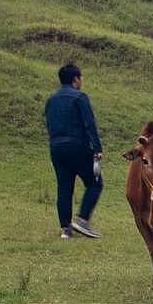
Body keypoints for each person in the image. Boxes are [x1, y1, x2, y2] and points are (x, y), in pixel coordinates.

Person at [44, 63, 103, 239]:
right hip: (78, 146)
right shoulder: (80, 97)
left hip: (56, 147)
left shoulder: (51, 99)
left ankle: (65, 229)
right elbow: (89, 124)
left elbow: (48, 123)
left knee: (64, 186)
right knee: (95, 183)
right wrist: (97, 147)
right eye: (81, 78)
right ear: (76, 79)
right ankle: (82, 219)